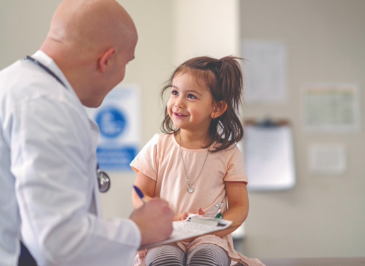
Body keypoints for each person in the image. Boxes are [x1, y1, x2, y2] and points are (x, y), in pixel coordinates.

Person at [0, 0, 174, 265]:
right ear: (106, 60)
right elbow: (58, 241)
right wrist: (139, 230)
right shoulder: (47, 106)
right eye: (126, 62)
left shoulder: (14, 84)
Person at [131, 56, 264, 266]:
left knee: (207, 258)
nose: (178, 103)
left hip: (210, 237)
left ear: (217, 109)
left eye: (191, 96)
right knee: (164, 258)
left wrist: (214, 226)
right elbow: (139, 195)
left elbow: (239, 206)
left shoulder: (229, 153)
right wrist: (167, 218)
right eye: (175, 92)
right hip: (166, 232)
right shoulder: (158, 146)